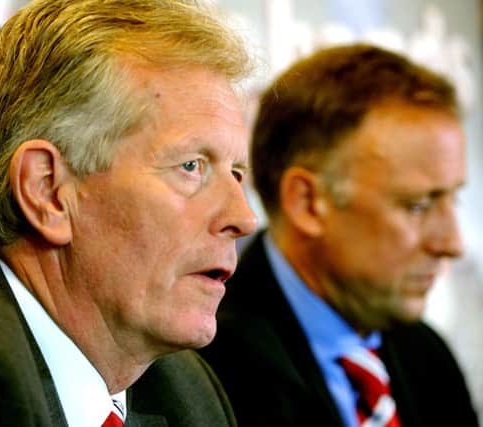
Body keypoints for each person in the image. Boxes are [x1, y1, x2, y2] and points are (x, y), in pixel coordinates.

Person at [0, 0, 258, 425]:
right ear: (49, 191)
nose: (243, 217)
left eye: (237, 173)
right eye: (191, 166)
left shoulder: (185, 392)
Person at [200, 43, 479, 426]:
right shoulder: (205, 371)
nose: (451, 243)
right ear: (308, 202)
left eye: (452, 200)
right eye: (418, 205)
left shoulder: (426, 356)